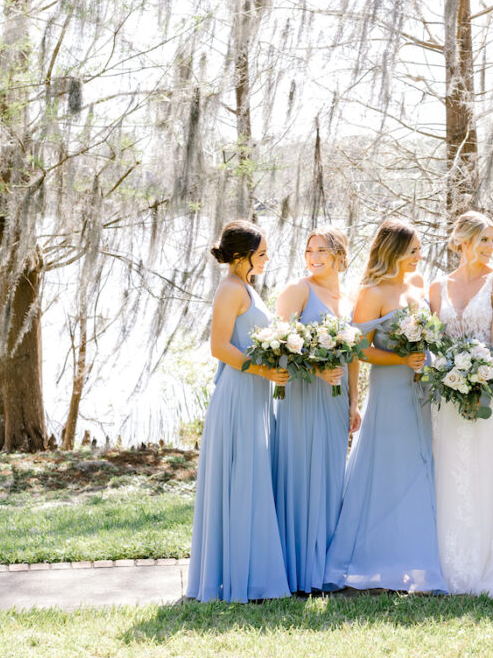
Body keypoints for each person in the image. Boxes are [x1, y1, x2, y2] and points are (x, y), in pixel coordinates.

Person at [322, 219, 447, 593]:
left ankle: (415, 559)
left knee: (419, 467)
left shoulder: (419, 285)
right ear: (393, 251)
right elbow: (357, 348)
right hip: (390, 389)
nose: (419, 257)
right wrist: (397, 364)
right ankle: (375, 558)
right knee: (389, 467)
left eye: (420, 250)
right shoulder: (371, 292)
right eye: (413, 251)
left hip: (421, 390)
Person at [187, 220, 290, 603]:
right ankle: (238, 579)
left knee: (252, 479)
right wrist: (264, 369)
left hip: (256, 394)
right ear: (240, 256)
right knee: (241, 480)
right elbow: (219, 347)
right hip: (238, 395)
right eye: (261, 254)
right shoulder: (230, 290)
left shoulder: (246, 287)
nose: (266, 259)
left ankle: (251, 573)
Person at [428, 211, 493, 594]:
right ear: (462, 241)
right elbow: (435, 342)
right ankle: (448, 558)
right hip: (448, 389)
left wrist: (480, 381)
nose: (489, 248)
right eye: (483, 240)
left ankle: (488, 556)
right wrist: (453, 379)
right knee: (452, 468)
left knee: (489, 467)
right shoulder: (438, 286)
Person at [272, 227, 362, 594]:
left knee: (329, 477)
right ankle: (296, 571)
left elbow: (353, 354)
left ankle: (324, 567)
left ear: (340, 255)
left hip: (335, 400)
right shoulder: (298, 291)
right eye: (309, 250)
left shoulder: (349, 298)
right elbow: (277, 347)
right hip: (302, 396)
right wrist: (315, 369)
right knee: (299, 475)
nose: (314, 257)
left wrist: (355, 401)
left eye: (322, 250)